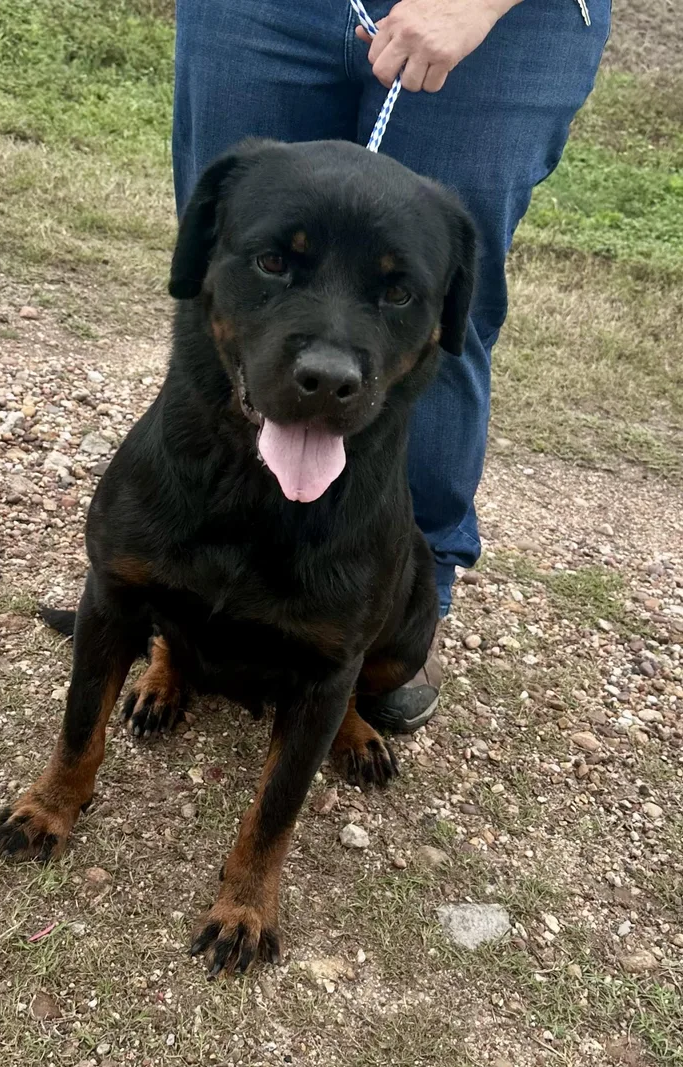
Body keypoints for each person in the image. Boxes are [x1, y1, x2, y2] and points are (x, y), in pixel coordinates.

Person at [172, 0, 610, 731]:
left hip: (506, 24)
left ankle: (395, 601)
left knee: (435, 326)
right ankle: (181, 578)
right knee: (240, 294)